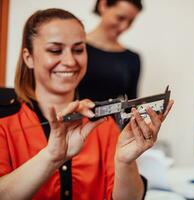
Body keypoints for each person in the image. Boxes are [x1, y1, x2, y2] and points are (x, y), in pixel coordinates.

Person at [0, 8, 173, 200]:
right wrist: (51, 157)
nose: (70, 61)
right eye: (55, 50)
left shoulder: (103, 125)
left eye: (78, 49)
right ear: (28, 58)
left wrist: (125, 162)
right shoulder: (4, 120)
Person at [78, 0, 143, 102]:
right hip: (71, 117)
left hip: (112, 118)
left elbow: (131, 106)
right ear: (103, 5)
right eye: (120, 18)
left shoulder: (132, 58)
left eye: (130, 22)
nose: (124, 27)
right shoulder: (75, 47)